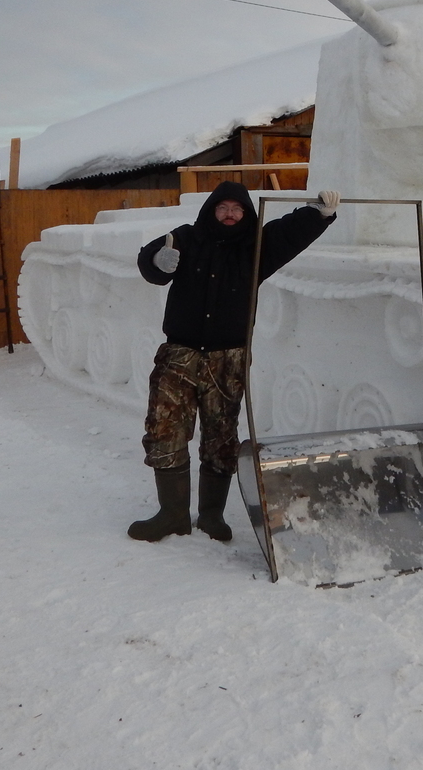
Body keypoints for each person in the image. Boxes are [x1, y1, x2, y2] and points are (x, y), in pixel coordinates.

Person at [129, 180, 339, 542]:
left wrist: (320, 214)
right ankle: (173, 513)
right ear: (211, 210)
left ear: (246, 213)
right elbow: (152, 260)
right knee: (164, 429)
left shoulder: (256, 247)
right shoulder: (186, 237)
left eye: (237, 209)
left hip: (229, 357)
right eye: (223, 208)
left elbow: (290, 233)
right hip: (179, 353)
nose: (229, 215)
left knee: (221, 436)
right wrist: (157, 262)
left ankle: (212, 515)